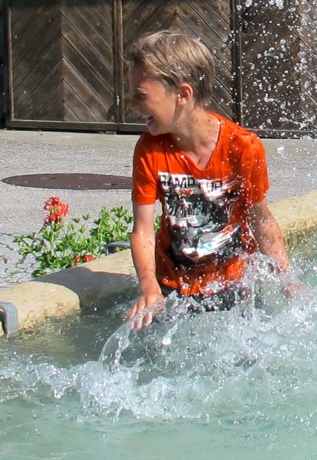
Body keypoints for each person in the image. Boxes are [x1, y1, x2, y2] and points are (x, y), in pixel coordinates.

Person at [125, 29, 292, 330]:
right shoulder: (149, 150)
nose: (131, 103)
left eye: (141, 95)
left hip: (235, 285)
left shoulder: (242, 147)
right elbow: (143, 231)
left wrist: (288, 283)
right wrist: (148, 286)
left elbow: (262, 221)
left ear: (183, 94)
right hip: (172, 286)